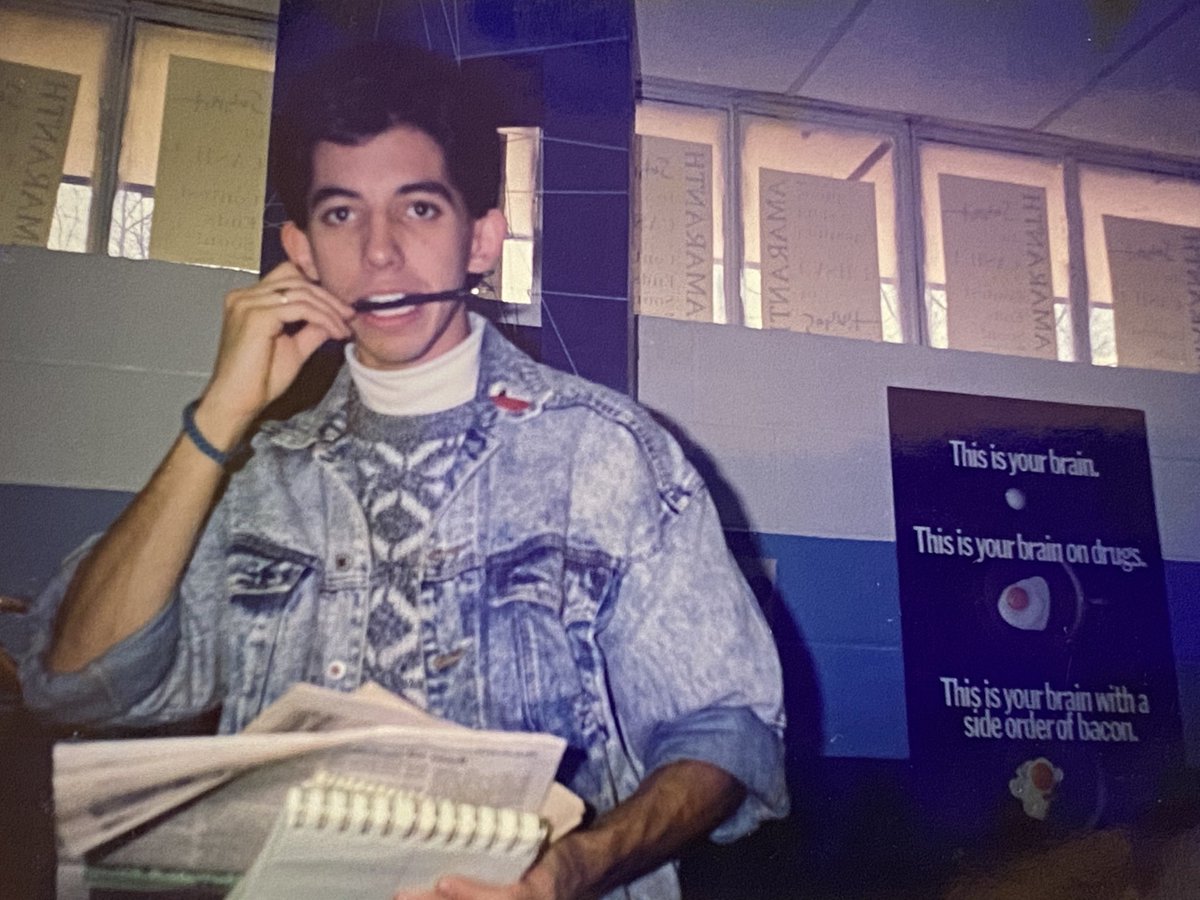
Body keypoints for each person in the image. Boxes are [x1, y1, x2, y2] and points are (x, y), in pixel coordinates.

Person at [18, 41, 787, 900]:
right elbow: (74, 684)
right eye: (341, 215)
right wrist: (218, 418)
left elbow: (727, 734)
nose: (379, 253)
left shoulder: (605, 454)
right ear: (301, 251)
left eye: (418, 209)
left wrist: (574, 867)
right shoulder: (254, 480)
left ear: (481, 240)